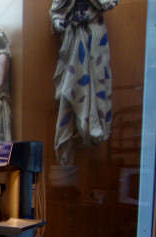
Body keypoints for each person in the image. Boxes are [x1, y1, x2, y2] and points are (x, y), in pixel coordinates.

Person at [50, 0, 117, 166]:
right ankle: (72, 139)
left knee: (98, 83)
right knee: (70, 88)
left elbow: (109, 3)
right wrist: (59, 22)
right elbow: (57, 11)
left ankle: (93, 126)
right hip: (73, 38)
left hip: (94, 36)